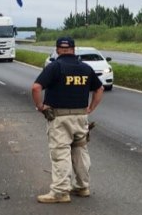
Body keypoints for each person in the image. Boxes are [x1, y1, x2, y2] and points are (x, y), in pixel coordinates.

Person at [31, 36, 104, 203]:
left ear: (57, 50)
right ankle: (82, 186)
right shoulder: (85, 68)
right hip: (81, 117)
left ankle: (60, 191)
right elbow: (99, 89)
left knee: (60, 152)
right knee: (80, 151)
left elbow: (36, 87)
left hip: (59, 117)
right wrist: (91, 108)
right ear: (73, 49)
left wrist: (40, 106)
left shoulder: (55, 67)